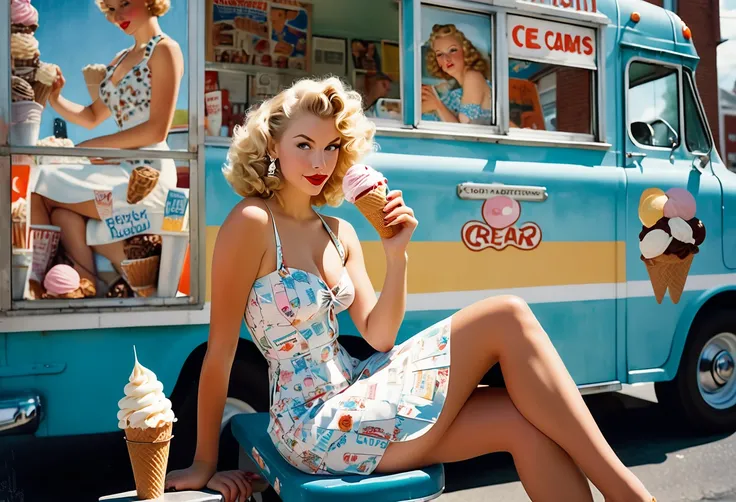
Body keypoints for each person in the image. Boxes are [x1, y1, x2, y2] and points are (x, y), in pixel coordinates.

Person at [165, 77, 656, 502]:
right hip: (309, 423)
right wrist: (204, 463)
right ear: (273, 147)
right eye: (304, 144)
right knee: (506, 313)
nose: (320, 160)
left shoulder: (340, 230)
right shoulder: (251, 222)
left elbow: (379, 336)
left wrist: (397, 254)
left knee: (519, 421)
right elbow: (220, 355)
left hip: (357, 382)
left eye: (331, 146)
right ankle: (629, 494)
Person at [30, 0, 182, 293]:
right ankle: (85, 289)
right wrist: (55, 97)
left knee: (40, 185)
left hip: (146, 175)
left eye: (125, 3)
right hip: (117, 165)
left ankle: (37, 286)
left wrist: (92, 147)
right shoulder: (119, 59)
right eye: (111, 9)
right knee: (61, 211)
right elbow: (91, 117)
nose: (119, 15)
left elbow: (157, 129)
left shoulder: (165, 49)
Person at [421, 24, 493, 125]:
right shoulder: (455, 85)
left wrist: (437, 105)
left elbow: (464, 132)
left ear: (465, 51)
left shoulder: (472, 77)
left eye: (453, 50)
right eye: (439, 54)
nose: (446, 59)